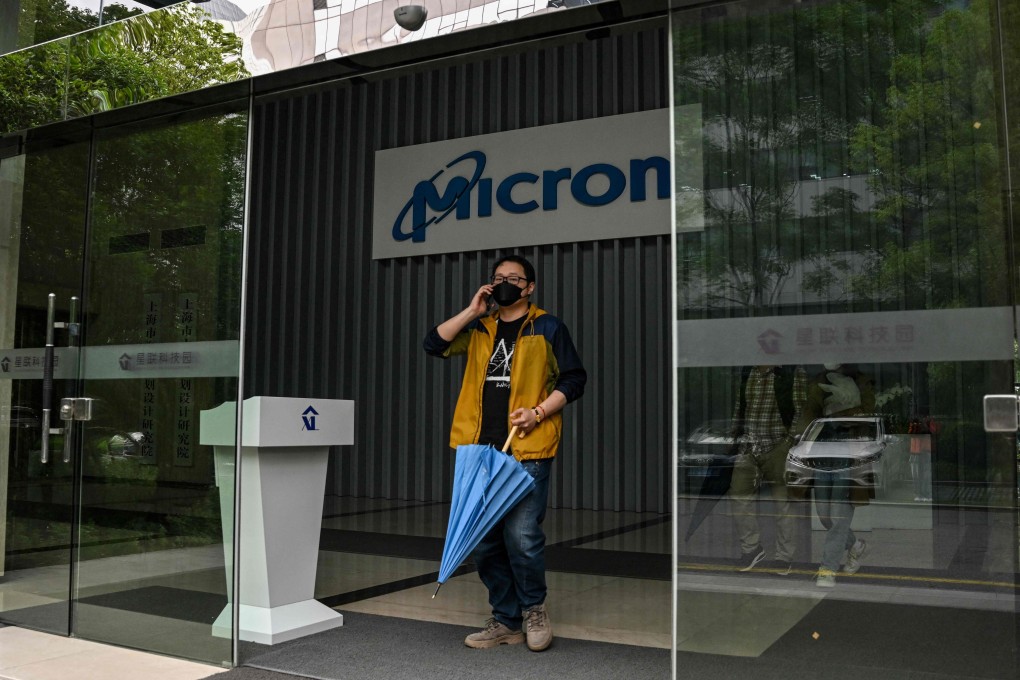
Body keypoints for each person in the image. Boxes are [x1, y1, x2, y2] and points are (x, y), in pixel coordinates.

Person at [423, 254, 586, 652]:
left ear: (530, 287)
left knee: (522, 535)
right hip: (479, 448)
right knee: (483, 541)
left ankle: (533, 609)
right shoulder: (480, 326)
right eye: (498, 278)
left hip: (527, 446)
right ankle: (507, 619)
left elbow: (575, 378)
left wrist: (538, 412)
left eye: (515, 278)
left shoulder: (548, 326)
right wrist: (472, 309)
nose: (506, 283)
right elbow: (434, 343)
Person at [794, 363, 874, 587]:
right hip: (822, 452)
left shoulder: (862, 381)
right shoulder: (819, 382)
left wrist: (836, 415)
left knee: (838, 515)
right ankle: (855, 545)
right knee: (824, 515)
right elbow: (808, 416)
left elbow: (867, 414)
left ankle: (827, 569)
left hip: (848, 455)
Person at [729, 364, 806, 574]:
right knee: (739, 496)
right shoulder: (748, 371)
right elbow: (740, 405)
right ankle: (752, 549)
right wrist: (735, 436)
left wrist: (789, 442)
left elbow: (800, 410)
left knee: (784, 504)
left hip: (777, 446)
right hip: (748, 447)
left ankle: (784, 557)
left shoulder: (791, 373)